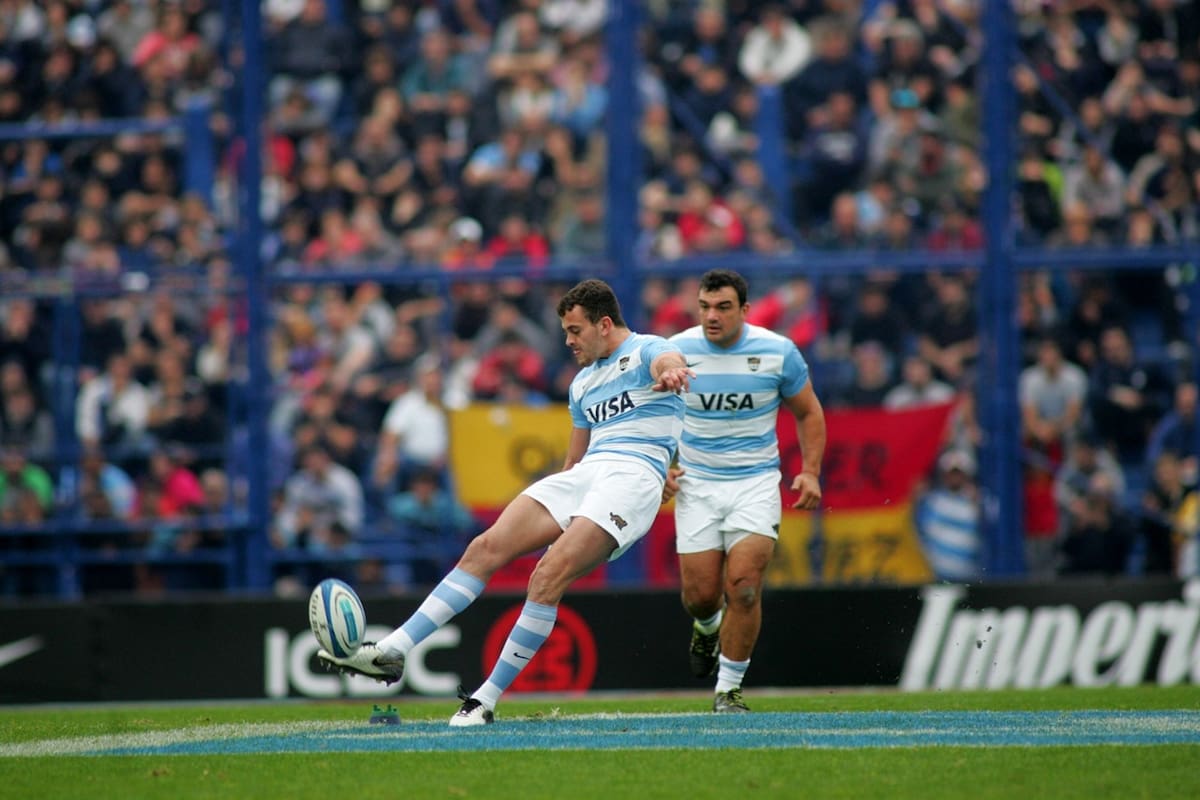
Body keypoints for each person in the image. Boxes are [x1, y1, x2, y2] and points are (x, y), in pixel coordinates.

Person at [317, 279, 694, 726]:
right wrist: (565, 493)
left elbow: (669, 362)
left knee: (547, 575)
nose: (569, 342)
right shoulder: (582, 384)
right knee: (484, 547)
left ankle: (485, 700)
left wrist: (670, 372)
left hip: (632, 480)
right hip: (587, 473)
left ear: (605, 323)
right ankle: (392, 651)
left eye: (575, 331)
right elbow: (575, 461)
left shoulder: (650, 350)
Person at [662, 269, 825, 713]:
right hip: (697, 485)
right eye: (705, 307)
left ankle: (727, 691)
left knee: (745, 587)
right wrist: (663, 468)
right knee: (700, 596)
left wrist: (810, 471)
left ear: (745, 310)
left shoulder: (777, 352)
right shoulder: (674, 353)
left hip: (755, 484)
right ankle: (707, 627)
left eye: (723, 307)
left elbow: (809, 412)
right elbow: (651, 415)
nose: (711, 316)